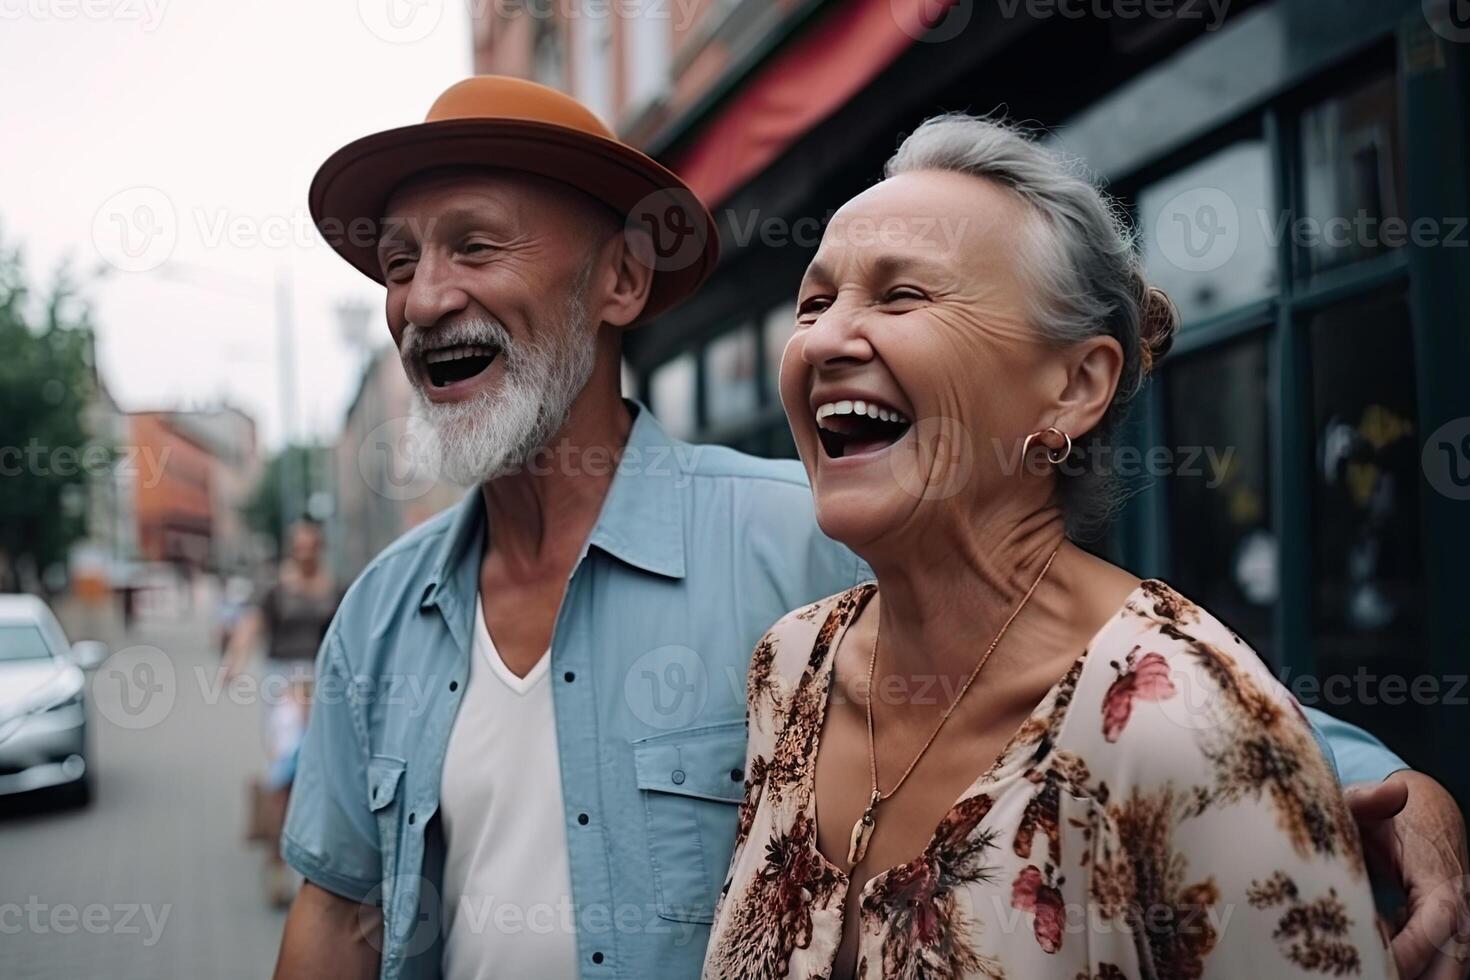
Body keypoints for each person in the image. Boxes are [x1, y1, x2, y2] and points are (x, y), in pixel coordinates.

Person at [274, 78, 1468, 980]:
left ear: (621, 284)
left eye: (472, 246)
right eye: (399, 262)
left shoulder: (813, 529)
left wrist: (1399, 783)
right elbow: (338, 909)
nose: (422, 298)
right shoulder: (386, 615)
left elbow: (1132, 696)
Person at [700, 113, 1421, 978]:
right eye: (814, 303)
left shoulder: (1187, 721)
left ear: (1074, 387)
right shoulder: (791, 668)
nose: (822, 340)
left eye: (902, 296)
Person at [223, 517, 340, 906]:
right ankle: (276, 863)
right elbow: (251, 623)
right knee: (286, 769)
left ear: (319, 547)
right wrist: (233, 659)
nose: (304, 552)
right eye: (298, 545)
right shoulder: (276, 588)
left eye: (311, 545)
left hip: (325, 684)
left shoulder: (334, 587)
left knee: (324, 771)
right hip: (282, 684)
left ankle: (322, 865)